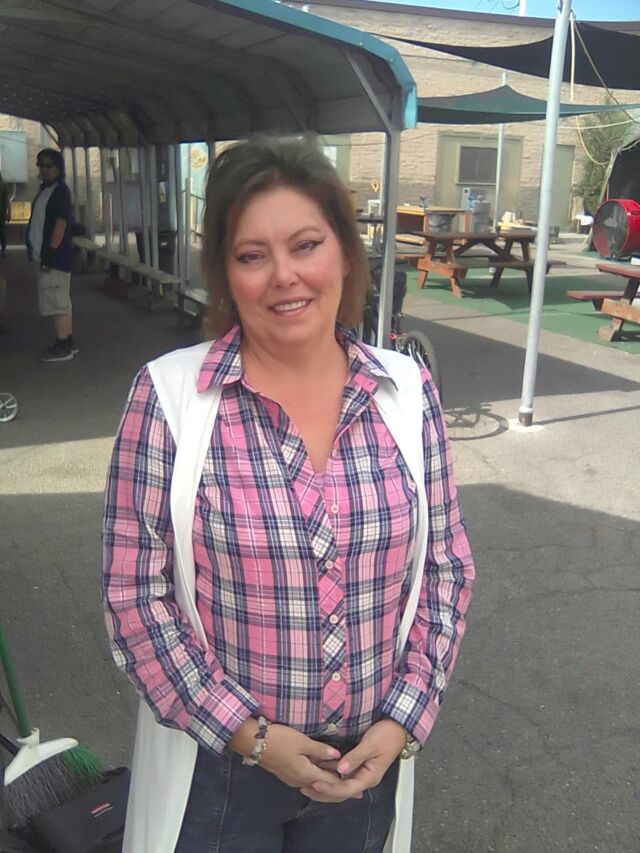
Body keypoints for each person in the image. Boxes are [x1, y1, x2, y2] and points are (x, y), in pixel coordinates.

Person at [102, 135, 474, 853]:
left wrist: (404, 718)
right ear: (225, 272)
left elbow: (447, 569)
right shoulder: (170, 397)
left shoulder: (406, 392)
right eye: (252, 255)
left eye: (306, 245)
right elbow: (133, 595)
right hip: (221, 772)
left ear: (344, 252)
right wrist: (250, 733)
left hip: (364, 767)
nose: (284, 276)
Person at [26, 148, 77, 362]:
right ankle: (67, 341)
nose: (45, 169)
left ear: (58, 168)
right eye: (41, 165)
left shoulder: (59, 192)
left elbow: (60, 223)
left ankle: (62, 346)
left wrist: (49, 254)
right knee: (60, 300)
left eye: (50, 166)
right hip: (48, 257)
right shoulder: (47, 190)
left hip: (53, 259)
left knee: (57, 302)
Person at [0, 171, 10, 259]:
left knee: (2, 231)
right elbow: (7, 200)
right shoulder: (3, 184)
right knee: (2, 231)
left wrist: (9, 212)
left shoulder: (3, 185)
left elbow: (7, 200)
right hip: (2, 212)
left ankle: (4, 249)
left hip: (1, 212)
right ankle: (3, 250)